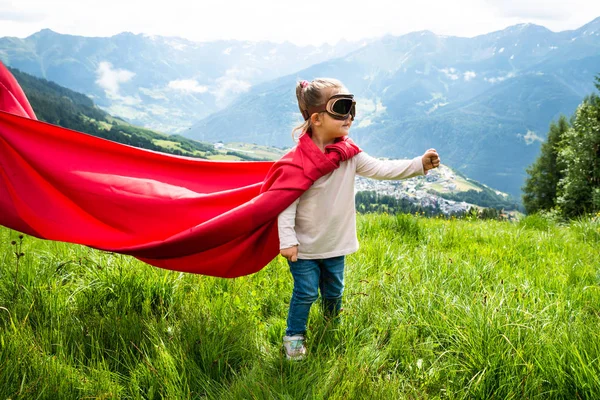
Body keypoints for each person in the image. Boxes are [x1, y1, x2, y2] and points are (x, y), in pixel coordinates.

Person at [278, 78, 440, 360]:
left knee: (334, 293)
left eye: (352, 107)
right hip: (303, 248)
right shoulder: (297, 161)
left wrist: (419, 164)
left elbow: (382, 169)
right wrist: (288, 240)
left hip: (335, 245)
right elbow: (285, 202)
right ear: (317, 118)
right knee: (305, 294)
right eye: (341, 107)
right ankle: (294, 337)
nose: (349, 116)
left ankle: (332, 328)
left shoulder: (349, 155)